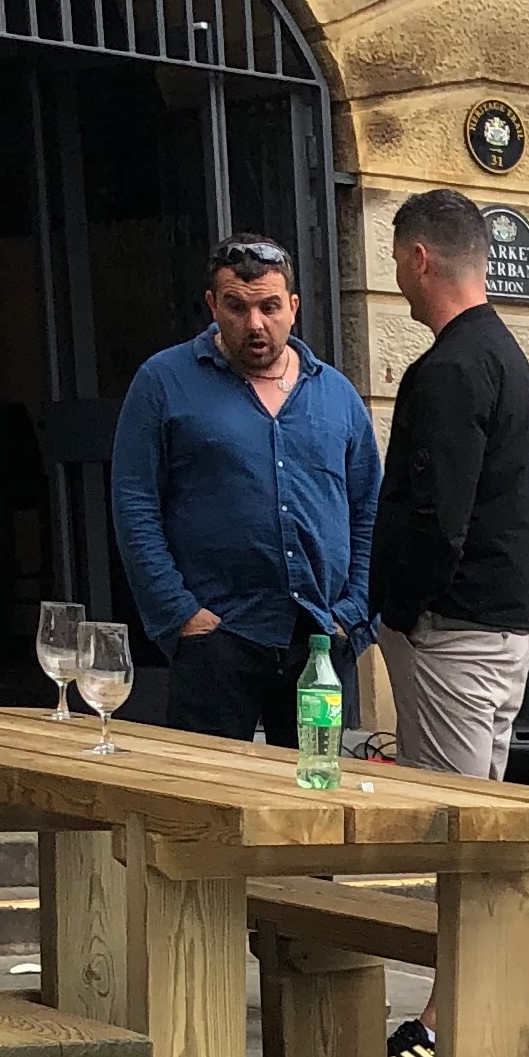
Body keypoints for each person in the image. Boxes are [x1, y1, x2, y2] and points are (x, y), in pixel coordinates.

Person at [370, 185, 529, 1057]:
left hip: (453, 632)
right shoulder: (504, 355)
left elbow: (436, 517)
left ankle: (446, 1017)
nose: (398, 279)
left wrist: (398, 608)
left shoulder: (451, 368)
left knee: (461, 833)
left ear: (420, 258)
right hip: (497, 628)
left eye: (397, 262)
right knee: (484, 823)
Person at [109, 237, 377, 738]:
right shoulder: (164, 381)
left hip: (318, 638)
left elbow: (370, 511)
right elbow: (134, 503)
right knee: (208, 786)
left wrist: (353, 615)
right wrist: (180, 614)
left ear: (293, 307)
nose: (255, 323)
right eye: (237, 306)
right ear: (213, 305)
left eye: (269, 307)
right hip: (216, 635)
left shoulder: (336, 394)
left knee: (311, 784)